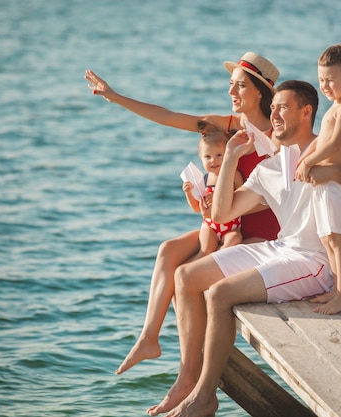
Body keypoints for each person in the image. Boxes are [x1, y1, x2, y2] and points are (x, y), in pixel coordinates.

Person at [148, 80, 341, 417]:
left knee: (219, 294)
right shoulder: (271, 166)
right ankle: (187, 379)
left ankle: (205, 396)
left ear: (306, 112)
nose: (273, 113)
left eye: (282, 107)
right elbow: (221, 213)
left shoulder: (332, 150)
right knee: (186, 275)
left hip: (314, 262)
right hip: (280, 248)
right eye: (272, 106)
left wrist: (332, 171)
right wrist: (230, 156)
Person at [86, 52, 283, 375]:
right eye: (230, 85)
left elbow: (276, 196)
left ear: (260, 91)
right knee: (168, 250)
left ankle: (192, 374)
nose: (231, 93)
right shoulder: (229, 127)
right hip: (227, 224)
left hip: (262, 235)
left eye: (240, 86)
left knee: (189, 276)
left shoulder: (277, 138)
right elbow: (169, 116)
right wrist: (116, 97)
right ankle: (149, 339)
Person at [294, 43, 341, 315]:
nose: (325, 86)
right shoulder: (335, 107)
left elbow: (333, 145)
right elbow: (321, 139)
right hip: (324, 186)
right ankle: (335, 289)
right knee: (326, 239)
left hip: (337, 186)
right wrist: (306, 154)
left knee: (337, 240)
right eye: (321, 80)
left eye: (330, 80)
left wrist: (309, 160)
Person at [183, 120, 244, 260]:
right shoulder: (203, 180)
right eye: (207, 157)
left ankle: (215, 260)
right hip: (210, 226)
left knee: (234, 240)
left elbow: (241, 197)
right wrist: (188, 193)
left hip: (232, 227)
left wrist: (219, 196)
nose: (213, 161)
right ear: (201, 158)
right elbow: (197, 209)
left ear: (228, 154)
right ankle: (191, 269)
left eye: (219, 155)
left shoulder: (234, 174)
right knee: (205, 250)